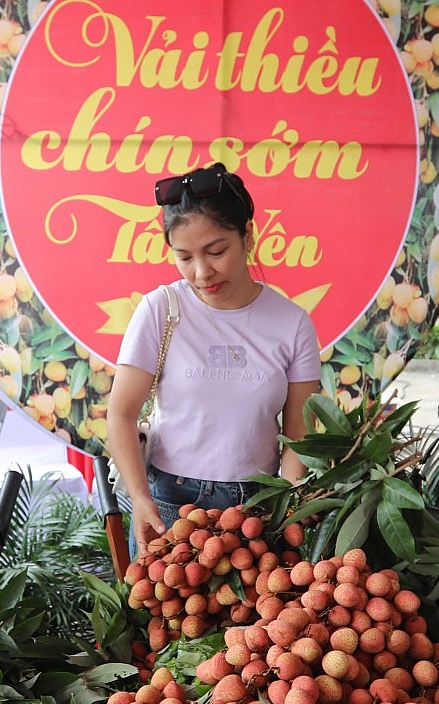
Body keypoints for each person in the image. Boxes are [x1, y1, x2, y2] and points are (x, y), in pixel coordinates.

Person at [107, 163, 321, 556]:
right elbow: (120, 414)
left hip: (255, 507)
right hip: (171, 500)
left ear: (247, 236)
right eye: (184, 257)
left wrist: (290, 501)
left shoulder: (292, 324)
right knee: (168, 616)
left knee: (254, 617)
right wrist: (139, 498)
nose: (202, 272)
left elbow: (299, 434)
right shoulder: (161, 309)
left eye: (216, 251)